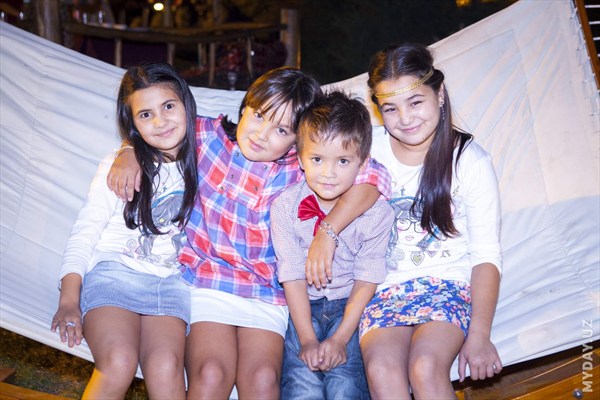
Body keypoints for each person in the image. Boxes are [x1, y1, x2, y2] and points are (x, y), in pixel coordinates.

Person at [107, 67, 391, 399]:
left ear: (298, 141)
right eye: (258, 116)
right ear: (244, 109)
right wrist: (129, 150)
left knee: (262, 379)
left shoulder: (302, 167)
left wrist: (328, 231)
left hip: (267, 289)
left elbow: (375, 178)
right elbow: (159, 129)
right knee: (211, 373)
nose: (262, 134)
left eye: (281, 130)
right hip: (208, 280)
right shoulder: (207, 139)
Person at [358, 43, 503, 399]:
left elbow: (486, 254)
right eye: (390, 108)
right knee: (381, 369)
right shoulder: (368, 151)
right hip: (384, 287)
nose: (405, 118)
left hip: (447, 285)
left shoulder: (469, 161)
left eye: (415, 102)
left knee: (424, 367)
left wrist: (479, 335)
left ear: (439, 94)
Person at [51, 62, 198, 399]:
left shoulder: (207, 161)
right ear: (132, 123)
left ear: (186, 104)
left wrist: (128, 146)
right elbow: (85, 232)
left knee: (165, 367)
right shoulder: (118, 167)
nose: (160, 121)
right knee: (119, 361)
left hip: (170, 285)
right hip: (114, 276)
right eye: (145, 114)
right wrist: (69, 299)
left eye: (169, 106)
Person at [271, 90, 394, 399]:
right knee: (301, 386)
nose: (328, 173)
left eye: (342, 161)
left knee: (346, 387)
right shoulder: (285, 206)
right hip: (302, 307)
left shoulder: (377, 213)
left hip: (350, 307)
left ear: (362, 164)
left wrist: (340, 338)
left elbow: (367, 277)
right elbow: (292, 275)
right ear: (300, 159)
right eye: (317, 159)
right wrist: (307, 339)